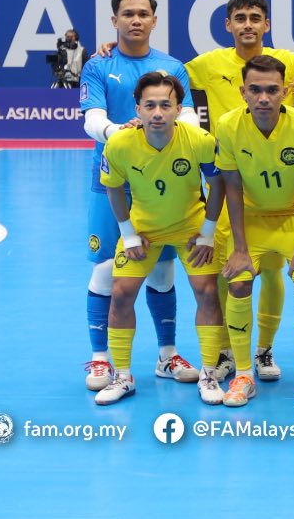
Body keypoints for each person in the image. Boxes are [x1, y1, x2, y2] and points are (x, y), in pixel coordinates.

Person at [79, 0, 208, 397]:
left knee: (163, 269)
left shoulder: (172, 67)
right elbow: (92, 119)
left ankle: (167, 355)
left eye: (142, 14)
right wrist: (122, 133)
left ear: (154, 20)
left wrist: (175, 134)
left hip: (163, 182)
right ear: (114, 21)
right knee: (107, 268)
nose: (135, 20)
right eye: (127, 14)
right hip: (113, 180)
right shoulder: (99, 65)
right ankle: (101, 356)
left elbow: (188, 116)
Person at [93, 71, 227, 406]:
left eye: (165, 105)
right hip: (144, 228)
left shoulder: (199, 140)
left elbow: (218, 184)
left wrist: (207, 233)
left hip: (191, 226)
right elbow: (113, 189)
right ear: (137, 109)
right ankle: (123, 376)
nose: (157, 113)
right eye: (149, 105)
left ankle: (209, 373)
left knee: (207, 291)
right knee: (121, 293)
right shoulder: (119, 144)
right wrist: (129, 234)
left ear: (179, 109)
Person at [208, 51, 294, 408]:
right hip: (252, 219)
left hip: (293, 217)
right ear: (242, 92)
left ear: (285, 92)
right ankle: (243, 374)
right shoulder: (227, 126)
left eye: (272, 90)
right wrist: (240, 249)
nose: (263, 98)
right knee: (239, 281)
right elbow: (232, 187)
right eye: (255, 90)